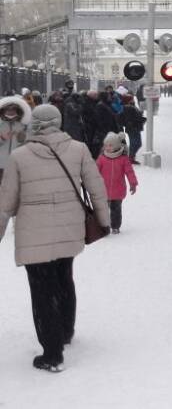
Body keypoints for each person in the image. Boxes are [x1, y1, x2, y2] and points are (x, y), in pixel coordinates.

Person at [0, 104, 111, 372]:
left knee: (41, 290)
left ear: (34, 124)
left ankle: (52, 353)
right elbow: (96, 187)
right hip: (68, 229)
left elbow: (6, 202)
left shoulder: (20, 156)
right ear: (58, 122)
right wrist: (104, 221)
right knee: (64, 278)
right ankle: (65, 331)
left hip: (33, 233)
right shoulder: (79, 149)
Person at [96, 132, 138, 234]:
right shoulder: (102, 158)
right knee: (103, 210)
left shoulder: (123, 159)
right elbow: (94, 171)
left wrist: (133, 183)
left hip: (118, 190)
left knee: (116, 211)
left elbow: (129, 171)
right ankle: (104, 226)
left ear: (116, 146)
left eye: (110, 145)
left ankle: (115, 226)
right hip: (103, 190)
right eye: (106, 145)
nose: (107, 148)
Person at [0, 94, 31, 185]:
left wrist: (23, 138)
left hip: (16, 163)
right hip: (1, 164)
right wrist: (2, 138)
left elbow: (25, 144)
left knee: (14, 187)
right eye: (8, 110)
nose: (11, 112)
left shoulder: (21, 126)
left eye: (13, 110)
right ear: (3, 111)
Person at [119, 94, 146, 165]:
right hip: (133, 128)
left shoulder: (131, 106)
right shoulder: (128, 107)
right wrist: (141, 118)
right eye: (131, 99)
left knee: (135, 143)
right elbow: (131, 118)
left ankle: (131, 157)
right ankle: (131, 157)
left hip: (134, 128)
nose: (133, 99)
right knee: (136, 143)